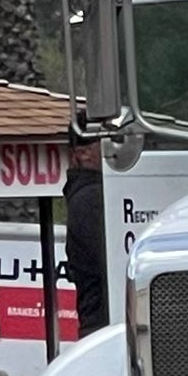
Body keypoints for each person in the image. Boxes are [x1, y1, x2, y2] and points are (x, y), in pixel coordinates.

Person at [62, 134, 110, 335]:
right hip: (104, 323)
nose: (115, 152)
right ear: (84, 154)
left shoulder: (87, 196)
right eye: (106, 145)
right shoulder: (92, 198)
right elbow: (109, 261)